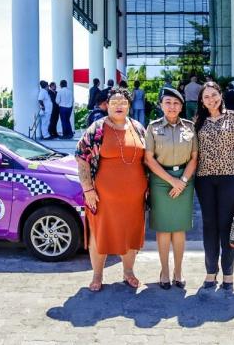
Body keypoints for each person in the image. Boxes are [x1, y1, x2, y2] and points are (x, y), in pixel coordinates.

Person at [75, 88, 148, 292]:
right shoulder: (97, 129)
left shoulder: (138, 127)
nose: (118, 105)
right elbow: (82, 157)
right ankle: (97, 275)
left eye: (123, 102)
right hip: (103, 196)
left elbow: (148, 160)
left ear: (129, 105)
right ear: (107, 105)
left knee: (131, 234)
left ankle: (129, 272)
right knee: (100, 233)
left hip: (135, 197)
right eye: (114, 101)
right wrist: (88, 189)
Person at [194, 81, 234, 291]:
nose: (211, 99)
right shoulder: (198, 121)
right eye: (206, 97)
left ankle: (228, 274)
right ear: (201, 101)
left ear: (220, 94)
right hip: (204, 180)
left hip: (231, 178)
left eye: (214, 95)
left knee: (227, 226)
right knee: (209, 225)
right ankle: (211, 272)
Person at [144, 87, 198, 290]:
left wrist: (182, 180)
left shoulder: (190, 127)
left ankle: (178, 271)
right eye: (168, 102)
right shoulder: (153, 127)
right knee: (164, 228)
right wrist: (172, 180)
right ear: (161, 105)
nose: (172, 106)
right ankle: (164, 271)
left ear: (181, 106)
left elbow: (194, 158)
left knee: (179, 228)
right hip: (160, 180)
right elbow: (149, 159)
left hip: (185, 179)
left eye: (176, 103)